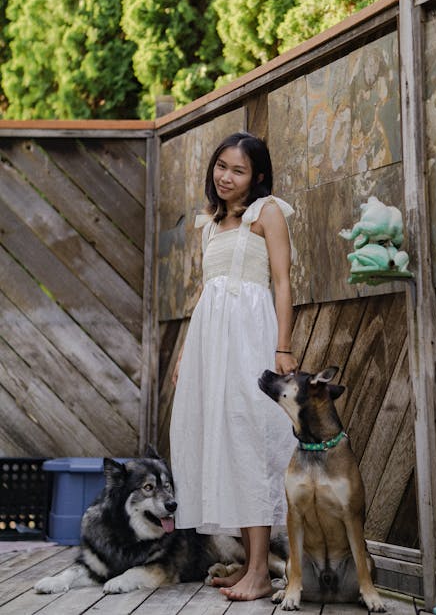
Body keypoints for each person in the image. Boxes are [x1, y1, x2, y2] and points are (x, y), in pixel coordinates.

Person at [169, 131, 297, 601]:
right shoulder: (209, 223)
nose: (226, 176)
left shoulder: (268, 214)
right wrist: (186, 352)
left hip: (250, 339)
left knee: (250, 441)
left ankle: (261, 572)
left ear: (258, 176)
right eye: (221, 166)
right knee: (221, 441)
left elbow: (282, 282)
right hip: (210, 344)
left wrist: (282, 347)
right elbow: (205, 293)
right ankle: (250, 566)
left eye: (238, 170)